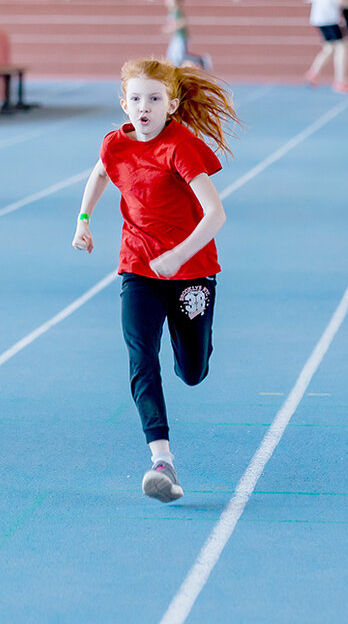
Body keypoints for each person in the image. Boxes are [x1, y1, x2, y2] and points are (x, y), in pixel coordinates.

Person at [72, 57, 239, 503]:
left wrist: (179, 255)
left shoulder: (180, 147)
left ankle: (197, 344)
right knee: (141, 354)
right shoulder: (115, 144)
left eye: (155, 99)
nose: (144, 108)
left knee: (191, 371)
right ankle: (161, 460)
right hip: (138, 268)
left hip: (191, 271)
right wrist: (83, 219)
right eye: (136, 99)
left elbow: (215, 213)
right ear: (123, 103)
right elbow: (101, 172)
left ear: (172, 103)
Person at [163, 0, 211, 70]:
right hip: (175, 38)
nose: (167, 0)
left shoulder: (177, 11)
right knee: (171, 57)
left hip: (181, 37)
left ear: (175, 1)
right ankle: (174, 73)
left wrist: (171, 28)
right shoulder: (172, 11)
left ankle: (201, 60)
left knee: (179, 58)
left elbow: (183, 22)